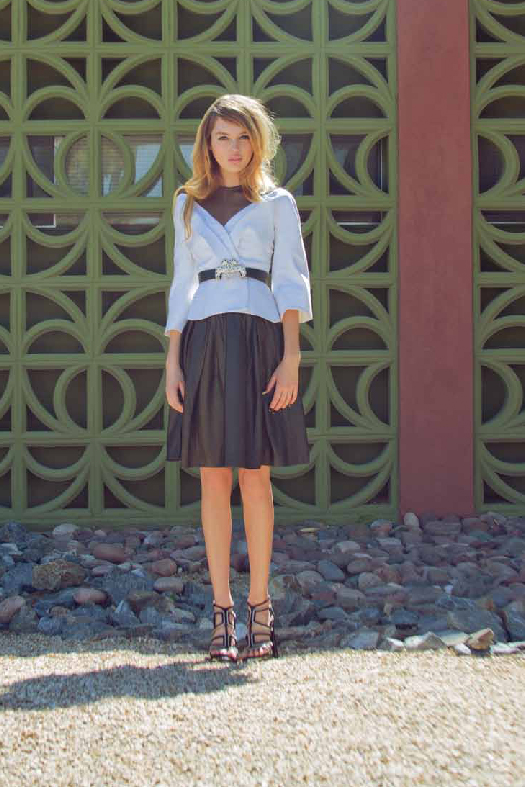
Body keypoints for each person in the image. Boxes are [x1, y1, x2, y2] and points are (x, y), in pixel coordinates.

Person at [163, 94, 313, 663]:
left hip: (258, 339)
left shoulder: (277, 203)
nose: (234, 147)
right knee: (212, 475)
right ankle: (222, 613)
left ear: (258, 142)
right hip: (202, 341)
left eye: (244, 136)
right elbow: (181, 282)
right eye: (223, 137)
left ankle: (260, 608)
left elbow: (291, 280)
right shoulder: (187, 202)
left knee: (255, 475)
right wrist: (173, 360)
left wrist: (291, 356)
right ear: (207, 142)